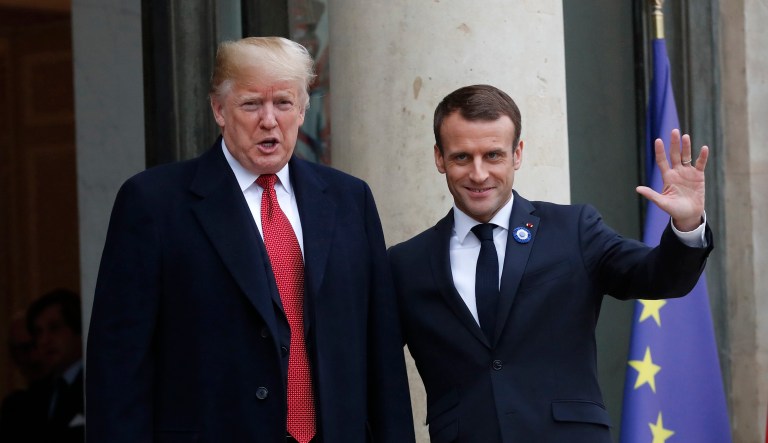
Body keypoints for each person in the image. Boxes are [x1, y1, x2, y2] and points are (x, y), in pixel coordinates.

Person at [86, 37, 414, 443]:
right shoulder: (153, 203)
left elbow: (382, 356)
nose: (269, 120)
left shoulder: (350, 199)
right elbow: (118, 365)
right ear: (219, 110)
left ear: (302, 109)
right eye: (251, 104)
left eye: (283, 103)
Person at [388, 84, 713, 442]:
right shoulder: (406, 264)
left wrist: (686, 225)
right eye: (462, 157)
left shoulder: (574, 229)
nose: (478, 174)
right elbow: (374, 367)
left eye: (493, 155)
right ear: (439, 158)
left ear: (518, 154)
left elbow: (659, 277)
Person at [0, 289, 84, 443]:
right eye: (38, 332)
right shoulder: (32, 397)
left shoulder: (98, 385)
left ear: (78, 330)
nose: (45, 340)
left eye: (54, 328)